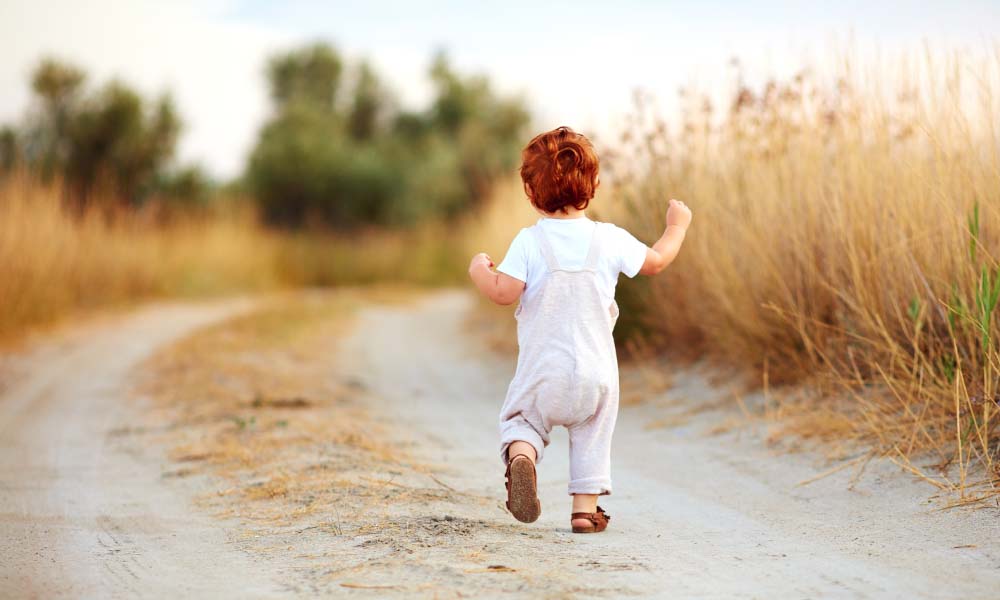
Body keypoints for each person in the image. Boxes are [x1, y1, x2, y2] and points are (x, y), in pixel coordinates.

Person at [468, 126, 692, 533]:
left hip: (543, 372)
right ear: (592, 187)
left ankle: (523, 458)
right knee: (592, 432)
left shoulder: (529, 242)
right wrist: (676, 226)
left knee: (524, 421)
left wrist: (479, 270)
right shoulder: (608, 238)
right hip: (596, 374)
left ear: (531, 193)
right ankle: (584, 511)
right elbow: (657, 261)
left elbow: (503, 293)